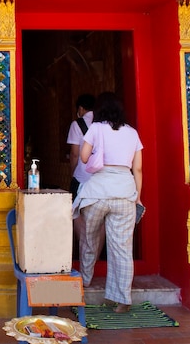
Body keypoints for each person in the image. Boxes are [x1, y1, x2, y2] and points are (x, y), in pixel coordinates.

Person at [72, 92, 143, 313]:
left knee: (89, 239)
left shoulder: (96, 129)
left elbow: (83, 158)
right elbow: (138, 168)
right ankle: (121, 299)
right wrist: (138, 196)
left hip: (98, 192)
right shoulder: (132, 133)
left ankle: (84, 282)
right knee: (121, 248)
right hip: (125, 191)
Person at [66, 94, 100, 260]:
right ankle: (96, 256)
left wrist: (73, 173)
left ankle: (84, 253)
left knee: (77, 214)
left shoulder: (77, 124)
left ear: (80, 108)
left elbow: (74, 153)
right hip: (101, 179)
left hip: (82, 177)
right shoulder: (103, 123)